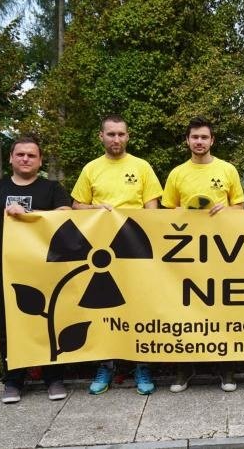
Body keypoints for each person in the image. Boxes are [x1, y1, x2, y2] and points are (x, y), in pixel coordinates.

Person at [0, 136, 73, 404]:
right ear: (10, 158)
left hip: (43, 272)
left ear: (40, 160)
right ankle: (13, 381)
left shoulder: (52, 188)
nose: (25, 159)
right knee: (8, 327)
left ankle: (53, 378)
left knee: (47, 323)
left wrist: (28, 214)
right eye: (20, 154)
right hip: (2, 272)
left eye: (31, 155)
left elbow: (65, 214)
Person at [71, 114, 163, 395]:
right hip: (101, 253)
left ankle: (142, 365)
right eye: (111, 134)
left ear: (128, 136)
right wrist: (95, 210)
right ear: (101, 136)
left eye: (121, 134)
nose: (116, 139)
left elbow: (152, 210)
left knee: (138, 308)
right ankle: (106, 365)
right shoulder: (91, 169)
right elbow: (77, 206)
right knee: (104, 310)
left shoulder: (142, 167)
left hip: (134, 252)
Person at [162, 117, 244, 393]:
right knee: (184, 307)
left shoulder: (228, 170)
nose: (199, 142)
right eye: (195, 137)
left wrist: (226, 210)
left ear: (212, 141)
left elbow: (240, 208)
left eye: (204, 137)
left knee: (221, 305)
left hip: (222, 251)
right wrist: (183, 213)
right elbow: (166, 211)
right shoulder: (177, 174)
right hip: (186, 251)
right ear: (187, 141)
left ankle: (226, 367)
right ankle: (185, 367)